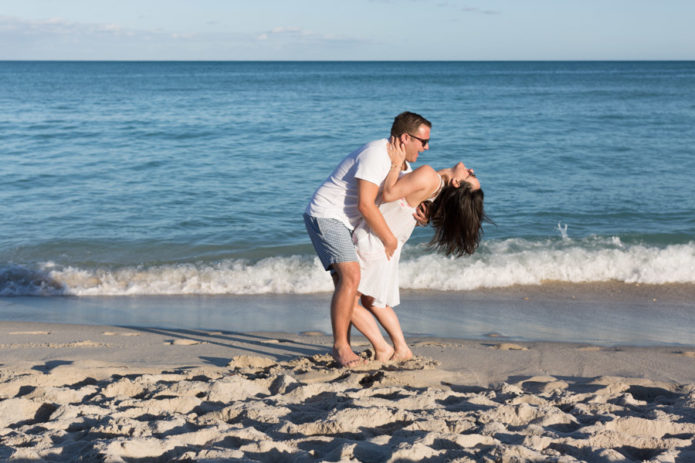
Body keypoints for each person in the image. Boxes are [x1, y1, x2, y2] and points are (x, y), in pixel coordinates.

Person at [303, 112, 432, 367]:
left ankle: (379, 348)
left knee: (347, 286)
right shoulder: (376, 154)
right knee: (350, 277)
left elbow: (396, 201)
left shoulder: (404, 166)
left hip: (352, 225)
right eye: (423, 141)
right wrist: (389, 240)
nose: (426, 147)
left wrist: (421, 216)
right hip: (327, 215)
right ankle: (341, 348)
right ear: (406, 138)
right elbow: (365, 204)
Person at [350, 138, 487, 362]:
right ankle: (402, 348)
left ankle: (382, 348)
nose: (471, 169)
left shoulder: (428, 175)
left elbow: (388, 194)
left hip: (376, 240)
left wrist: (396, 163)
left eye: (470, 176)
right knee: (372, 301)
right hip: (387, 243)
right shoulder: (435, 190)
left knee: (347, 300)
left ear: (455, 183)